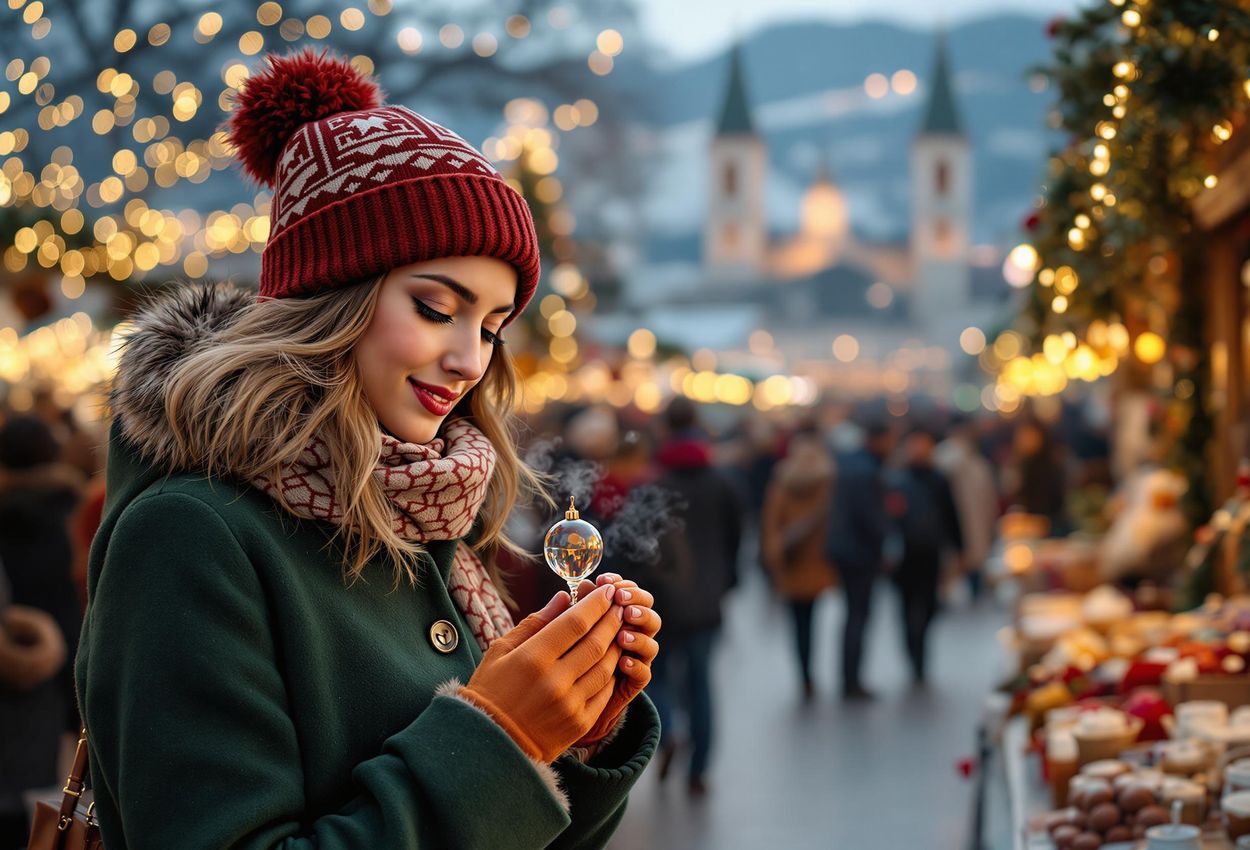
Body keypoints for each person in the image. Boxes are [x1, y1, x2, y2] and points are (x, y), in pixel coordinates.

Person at [75, 49, 661, 850]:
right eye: (435, 306)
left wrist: (578, 727)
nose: (469, 358)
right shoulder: (191, 537)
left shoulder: (425, 512)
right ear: (332, 297)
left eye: (491, 327)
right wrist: (502, 735)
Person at [645, 397, 741, 796]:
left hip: (664, 598)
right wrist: (725, 582)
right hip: (706, 599)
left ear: (665, 427)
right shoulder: (721, 481)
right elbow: (737, 538)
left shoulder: (655, 483)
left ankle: (668, 731)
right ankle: (699, 769)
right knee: (701, 684)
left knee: (657, 676)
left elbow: (644, 545)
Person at [760, 427, 836, 701]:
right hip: (818, 564)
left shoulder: (782, 480)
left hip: (791, 564)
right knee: (813, 620)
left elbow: (771, 522)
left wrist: (773, 556)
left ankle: (804, 674)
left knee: (798, 624)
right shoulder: (827, 481)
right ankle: (814, 671)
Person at [825, 418, 895, 700]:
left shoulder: (850, 464)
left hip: (845, 549)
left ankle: (849, 676)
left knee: (853, 615)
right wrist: (885, 545)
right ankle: (851, 680)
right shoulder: (865, 470)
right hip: (859, 553)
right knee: (858, 616)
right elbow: (870, 517)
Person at [888, 428, 964, 686]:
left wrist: (959, 547)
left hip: (931, 554)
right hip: (904, 557)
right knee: (907, 610)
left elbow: (951, 514)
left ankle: (920, 651)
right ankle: (914, 656)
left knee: (929, 606)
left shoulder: (939, 479)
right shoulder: (897, 479)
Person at [935, 415, 998, 600]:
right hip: (956, 522)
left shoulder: (973, 457)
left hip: (973, 520)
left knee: (973, 561)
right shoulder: (947, 456)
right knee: (954, 564)